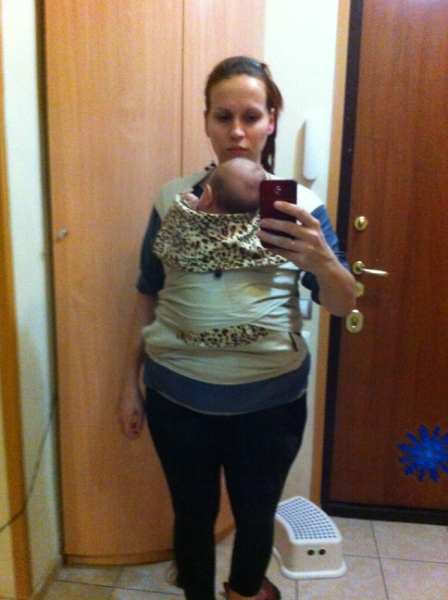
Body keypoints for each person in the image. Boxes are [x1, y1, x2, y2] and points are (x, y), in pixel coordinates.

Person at [118, 56, 356, 600]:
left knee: (255, 516)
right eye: (223, 116)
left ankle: (246, 592)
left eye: (251, 116)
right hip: (177, 397)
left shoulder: (300, 206)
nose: (237, 131)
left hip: (270, 404)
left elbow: (343, 304)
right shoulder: (173, 200)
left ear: (271, 120)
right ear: (206, 121)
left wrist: (323, 260)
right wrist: (127, 384)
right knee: (192, 515)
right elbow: (148, 292)